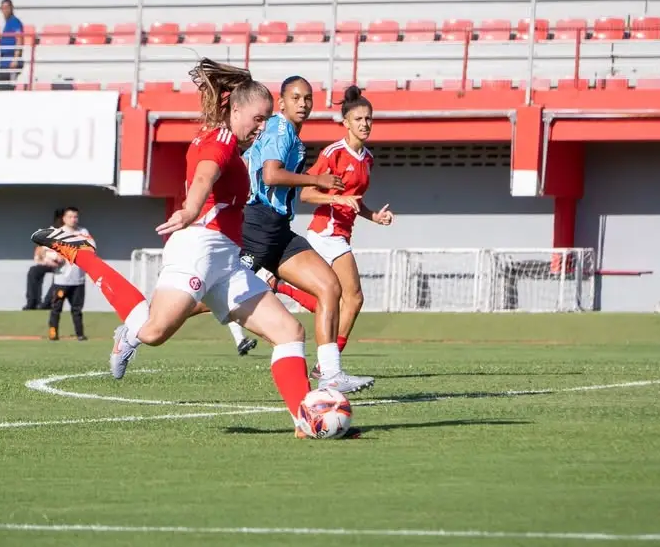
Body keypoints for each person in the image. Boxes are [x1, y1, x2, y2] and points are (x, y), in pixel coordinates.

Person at [31, 59, 335, 439]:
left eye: (267, 120)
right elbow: (206, 173)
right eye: (258, 119)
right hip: (198, 247)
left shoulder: (232, 143)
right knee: (154, 332)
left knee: (289, 331)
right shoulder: (220, 143)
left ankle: (304, 421)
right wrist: (191, 208)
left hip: (226, 259)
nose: (262, 127)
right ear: (236, 109)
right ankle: (83, 256)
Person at [240, 75, 374, 394]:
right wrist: (319, 182)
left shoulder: (293, 136)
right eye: (296, 98)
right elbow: (271, 176)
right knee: (217, 294)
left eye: (308, 99)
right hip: (257, 225)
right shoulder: (280, 128)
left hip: (278, 228)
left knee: (329, 286)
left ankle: (330, 373)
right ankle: (143, 324)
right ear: (282, 102)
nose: (303, 104)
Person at [294, 86, 393, 377]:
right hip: (326, 232)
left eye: (369, 119)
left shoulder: (367, 159)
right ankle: (328, 365)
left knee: (333, 299)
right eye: (359, 119)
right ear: (346, 122)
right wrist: (337, 199)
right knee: (354, 297)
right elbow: (307, 194)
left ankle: (280, 286)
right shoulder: (333, 153)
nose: (365, 124)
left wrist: (374, 215)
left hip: (340, 233)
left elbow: (355, 200)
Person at [46, 206, 93, 341]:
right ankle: (53, 334)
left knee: (77, 309)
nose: (73, 219)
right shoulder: (58, 233)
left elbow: (90, 248)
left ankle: (80, 335)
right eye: (70, 217)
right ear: (64, 218)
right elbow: (48, 252)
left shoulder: (83, 232)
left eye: (75, 217)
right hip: (61, 280)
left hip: (78, 279)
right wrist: (55, 258)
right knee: (56, 308)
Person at [0, 0, 24, 91]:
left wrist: (15, 59)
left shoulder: (15, 21)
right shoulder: (7, 23)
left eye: (7, 8)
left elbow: (19, 39)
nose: (5, 10)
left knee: (2, 88)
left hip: (10, 62)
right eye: (3, 8)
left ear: (11, 8)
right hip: (4, 61)